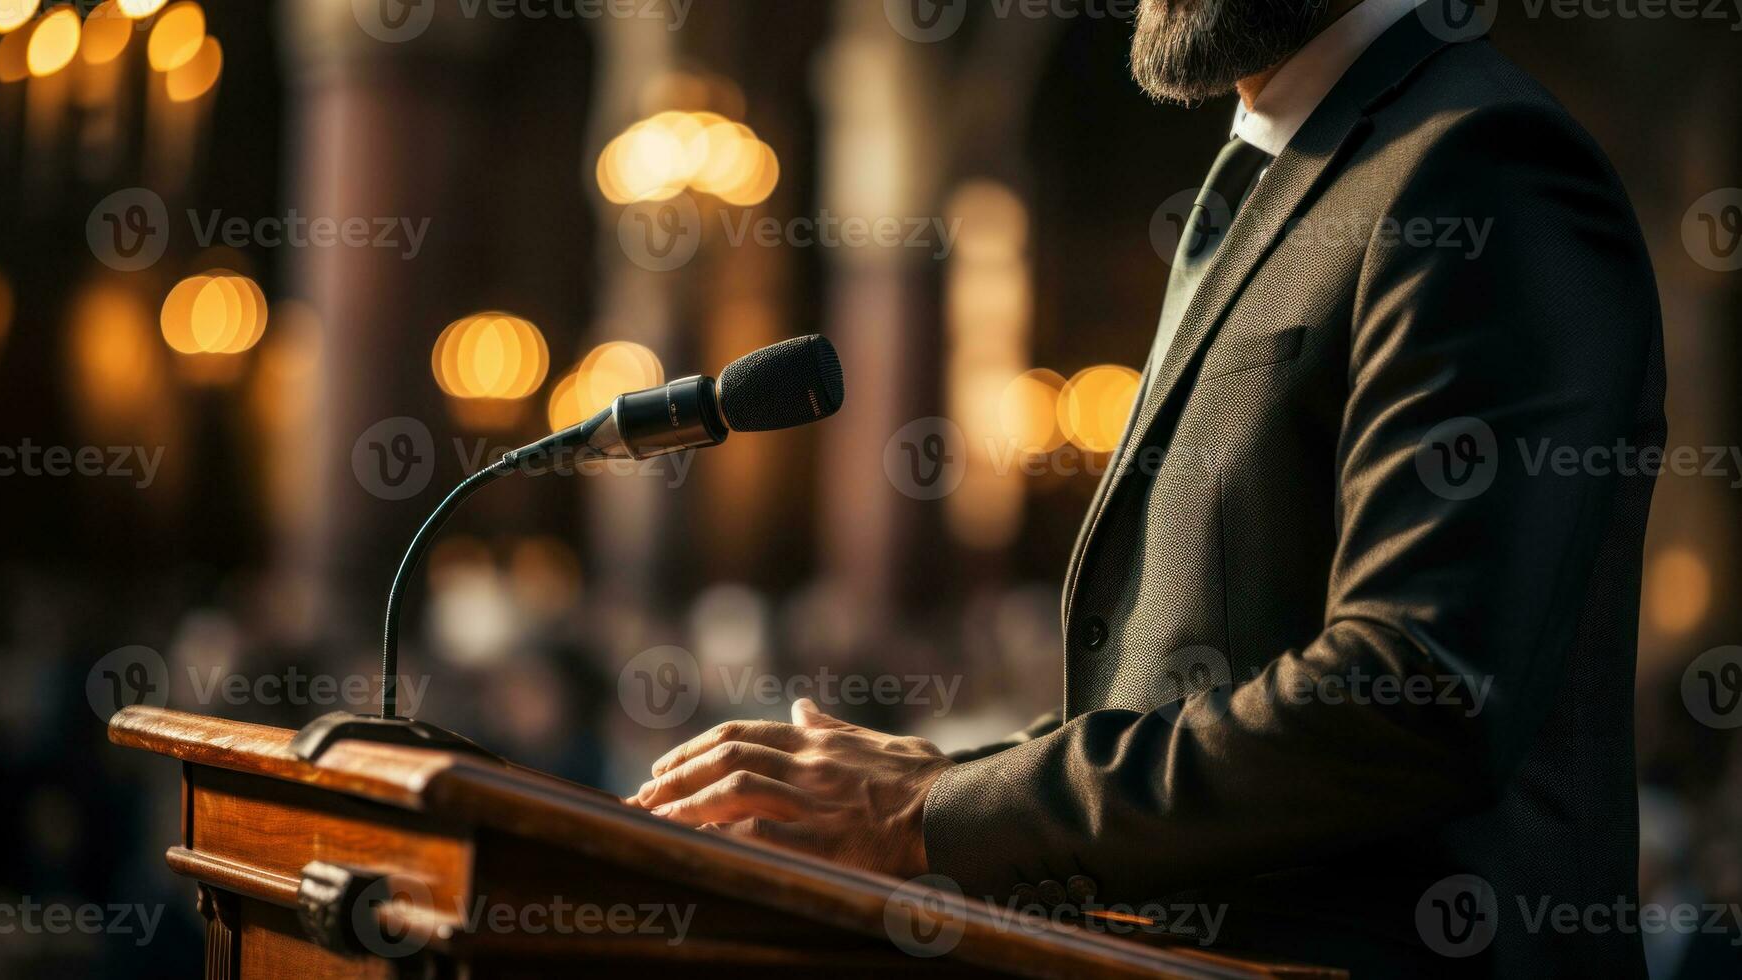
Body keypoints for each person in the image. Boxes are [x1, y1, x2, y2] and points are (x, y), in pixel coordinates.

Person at [628, 1, 1666, 973]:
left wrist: (935, 811)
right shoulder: (1279, 169)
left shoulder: (1479, 168)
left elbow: (1412, 692)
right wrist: (939, 783)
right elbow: (1182, 693)